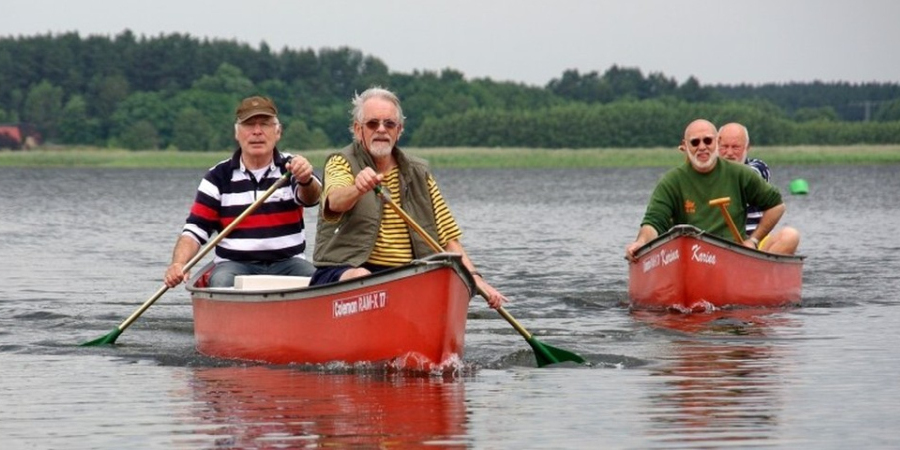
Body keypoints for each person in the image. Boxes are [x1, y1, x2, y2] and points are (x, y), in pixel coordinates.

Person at [309, 86, 507, 309]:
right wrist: (357, 188)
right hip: (346, 271)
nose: (381, 130)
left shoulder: (418, 172)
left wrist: (476, 279)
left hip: (404, 276)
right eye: (373, 124)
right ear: (358, 129)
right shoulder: (341, 162)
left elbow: (448, 238)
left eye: (389, 124)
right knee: (362, 277)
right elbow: (334, 201)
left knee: (444, 278)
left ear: (399, 130)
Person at [164, 96, 322, 288]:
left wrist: (305, 179)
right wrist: (179, 263)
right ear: (237, 133)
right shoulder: (218, 176)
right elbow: (196, 230)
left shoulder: (292, 166)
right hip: (234, 265)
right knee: (221, 282)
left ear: (278, 132)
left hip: (289, 263)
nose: (257, 131)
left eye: (265, 124)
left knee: (318, 280)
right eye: (249, 125)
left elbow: (312, 197)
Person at [625, 119, 797, 262]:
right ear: (685, 146)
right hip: (689, 255)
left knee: (791, 235)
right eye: (695, 142)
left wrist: (753, 240)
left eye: (707, 141)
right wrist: (641, 242)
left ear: (716, 142)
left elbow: (777, 206)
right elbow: (654, 221)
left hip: (733, 254)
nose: (702, 147)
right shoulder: (671, 181)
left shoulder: (742, 173)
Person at [717, 122, 800, 254]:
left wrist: (752, 241)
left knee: (790, 236)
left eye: (736, 147)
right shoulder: (707, 172)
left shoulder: (758, 167)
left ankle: (759, 264)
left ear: (747, 147)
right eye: (724, 147)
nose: (729, 153)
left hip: (754, 243)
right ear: (716, 146)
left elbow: (746, 175)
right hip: (717, 243)